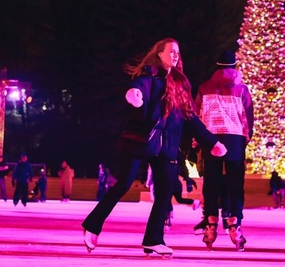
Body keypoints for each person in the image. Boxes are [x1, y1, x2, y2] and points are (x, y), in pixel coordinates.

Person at [81, 38, 228, 257]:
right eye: (171, 51)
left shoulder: (181, 85)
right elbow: (138, 87)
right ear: (159, 54)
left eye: (178, 52)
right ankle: (92, 225)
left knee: (164, 192)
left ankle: (153, 239)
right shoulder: (150, 76)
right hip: (141, 140)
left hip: (167, 145)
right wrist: (134, 95)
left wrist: (212, 141)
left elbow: (190, 117)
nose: (175, 55)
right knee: (123, 185)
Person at [194, 49, 254, 251]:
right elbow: (248, 117)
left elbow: (196, 115)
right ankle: (234, 222)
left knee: (211, 181)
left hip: (211, 139)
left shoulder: (204, 87)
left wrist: (198, 140)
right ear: (234, 66)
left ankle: (211, 223)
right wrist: (245, 139)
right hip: (235, 139)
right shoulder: (242, 89)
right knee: (235, 184)